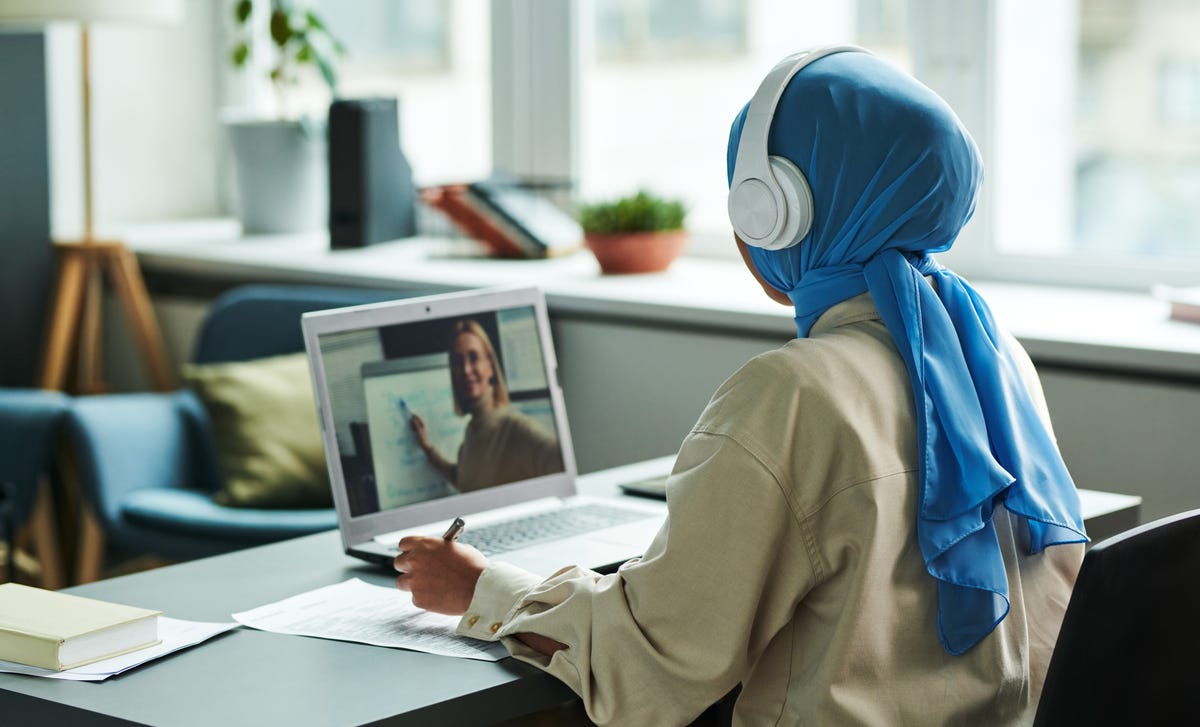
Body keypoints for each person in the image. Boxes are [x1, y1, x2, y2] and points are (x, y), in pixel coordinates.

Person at [393, 48, 1086, 725]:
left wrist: (481, 586)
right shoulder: (995, 358)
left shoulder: (791, 395)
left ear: (774, 209)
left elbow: (648, 670)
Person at [409, 318, 563, 492]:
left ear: (490, 365)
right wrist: (427, 449)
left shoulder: (516, 429)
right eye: (458, 362)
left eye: (473, 358)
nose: (466, 370)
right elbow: (461, 479)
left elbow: (560, 461)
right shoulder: (470, 434)